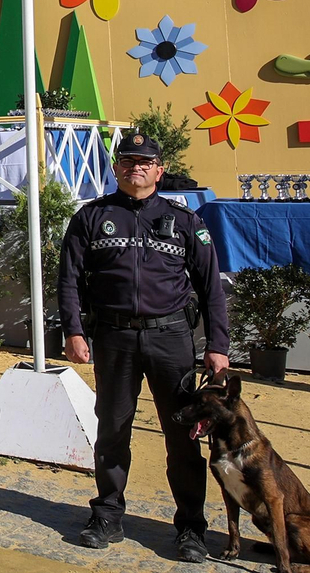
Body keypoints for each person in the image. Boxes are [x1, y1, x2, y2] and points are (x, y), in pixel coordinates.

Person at [58, 131, 229, 561]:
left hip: (171, 337)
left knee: (182, 434)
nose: (136, 167)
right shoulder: (91, 218)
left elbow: (211, 287)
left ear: (159, 169)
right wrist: (74, 331)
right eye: (128, 160)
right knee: (112, 429)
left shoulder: (185, 221)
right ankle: (108, 514)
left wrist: (218, 345)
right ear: (116, 168)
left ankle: (191, 527)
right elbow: (70, 280)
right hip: (114, 338)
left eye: (145, 161)